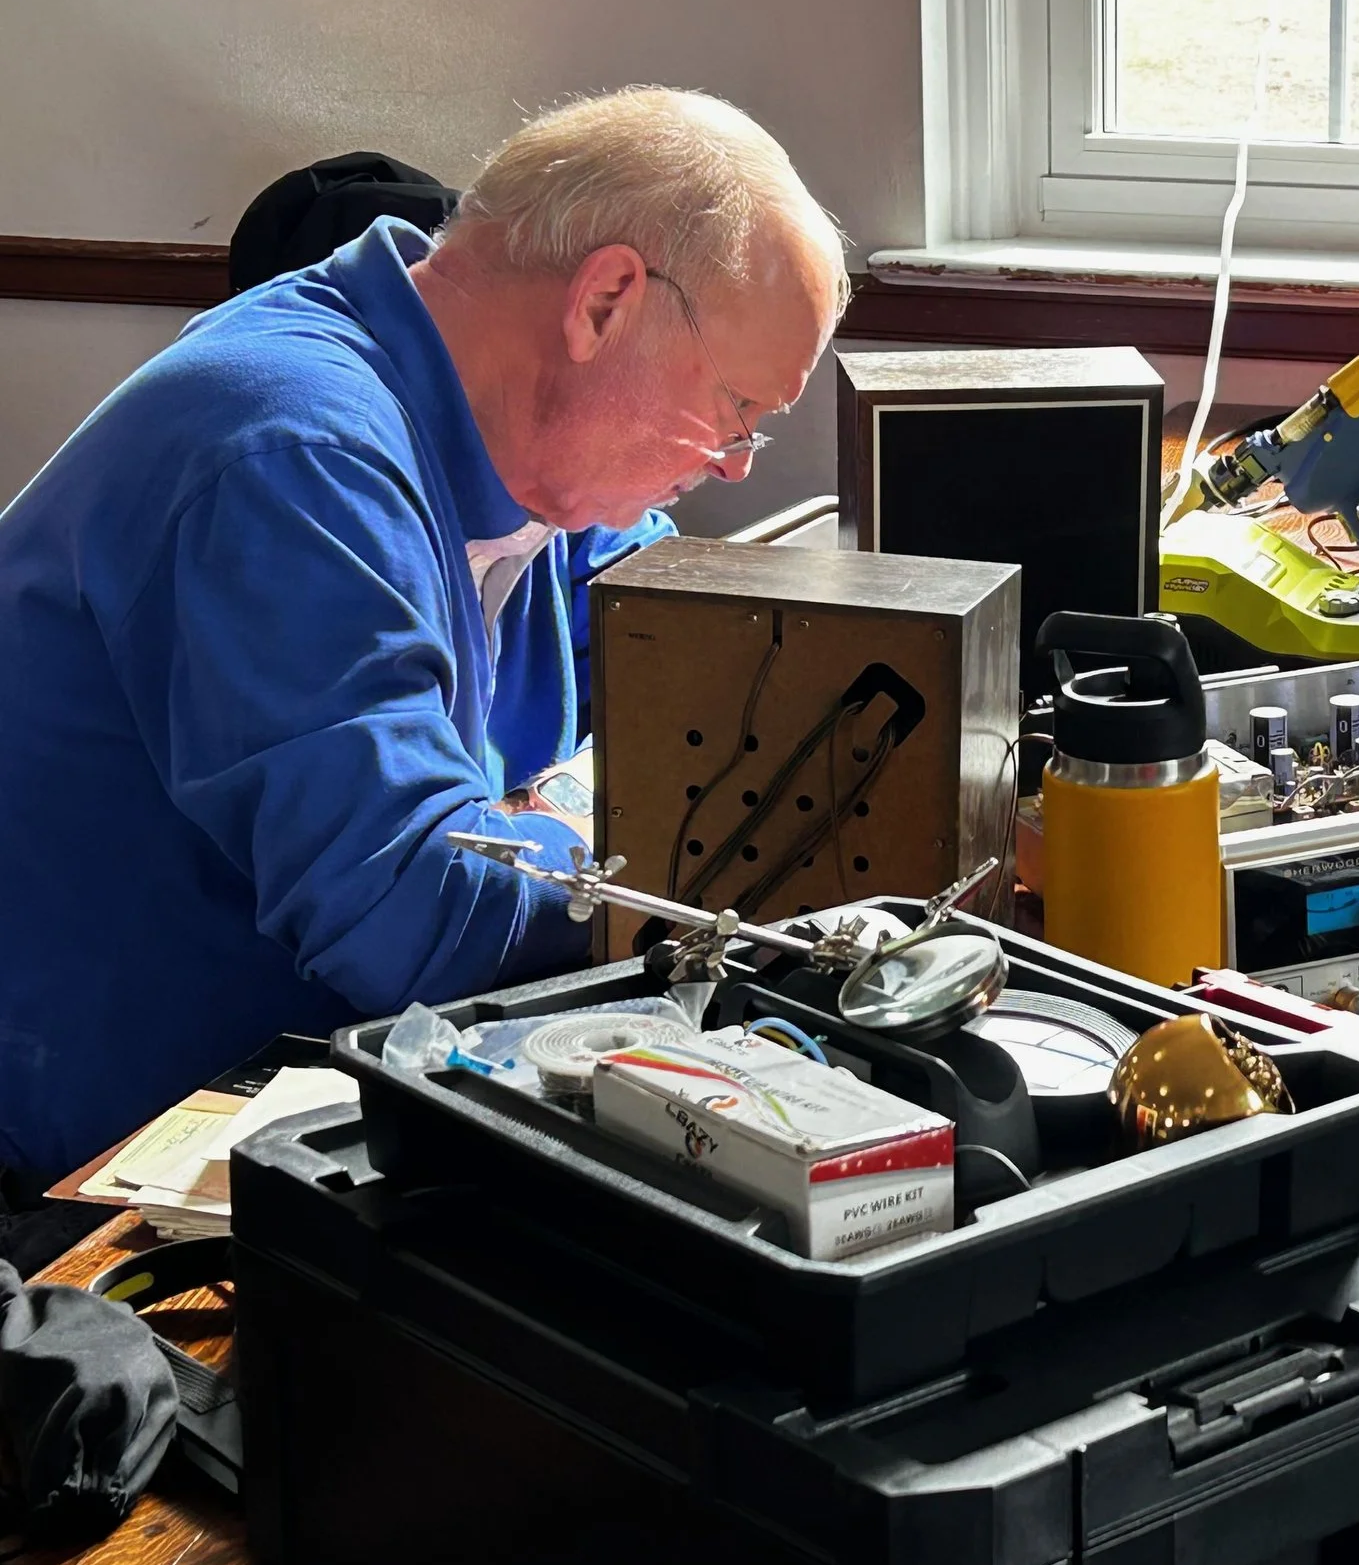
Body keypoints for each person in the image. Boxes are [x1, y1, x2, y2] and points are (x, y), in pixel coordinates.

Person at [0, 87, 849, 1215]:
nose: (738, 465)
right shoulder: (286, 450)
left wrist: (560, 818)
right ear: (604, 302)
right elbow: (418, 923)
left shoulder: (542, 458)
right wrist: (598, 819)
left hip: (283, 1100)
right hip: (85, 1181)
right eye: (737, 408)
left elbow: (702, 685)